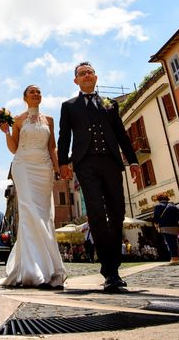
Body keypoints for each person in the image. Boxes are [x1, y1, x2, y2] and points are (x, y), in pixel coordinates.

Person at [57, 62, 141, 292]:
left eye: (90, 72)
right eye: (82, 74)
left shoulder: (110, 104)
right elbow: (63, 136)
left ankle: (113, 264)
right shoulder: (69, 106)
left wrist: (133, 160)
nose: (86, 76)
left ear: (95, 77)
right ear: (76, 80)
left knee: (118, 213)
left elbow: (121, 135)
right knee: (95, 213)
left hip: (111, 163)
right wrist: (63, 163)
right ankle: (110, 271)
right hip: (86, 164)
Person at [0, 85, 66, 288]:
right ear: (24, 97)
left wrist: (58, 167)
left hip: (44, 168)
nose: (36, 94)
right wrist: (7, 132)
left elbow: (52, 146)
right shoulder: (17, 120)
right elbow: (14, 148)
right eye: (32, 92)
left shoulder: (49, 120)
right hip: (23, 166)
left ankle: (49, 268)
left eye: (39, 92)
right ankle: (31, 270)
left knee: (44, 215)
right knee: (29, 212)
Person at [153, 194, 179, 265]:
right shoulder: (173, 206)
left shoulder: (158, 206)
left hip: (165, 227)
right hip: (175, 226)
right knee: (173, 241)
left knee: (169, 242)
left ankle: (175, 258)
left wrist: (156, 224)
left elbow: (155, 217)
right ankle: (173, 258)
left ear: (159, 199)